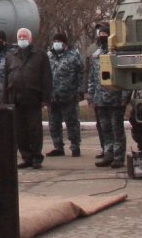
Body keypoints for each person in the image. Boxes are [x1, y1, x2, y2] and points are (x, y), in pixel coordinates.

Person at [6, 27, 52, 169]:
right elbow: (5, 78)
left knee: (34, 130)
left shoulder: (40, 55)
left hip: (33, 97)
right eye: (20, 36)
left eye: (25, 36)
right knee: (20, 131)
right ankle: (26, 157)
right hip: (15, 98)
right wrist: (5, 98)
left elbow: (46, 77)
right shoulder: (11, 55)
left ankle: (37, 157)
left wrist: (45, 97)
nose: (22, 39)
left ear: (31, 39)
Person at [84, 24, 129, 167]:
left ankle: (118, 157)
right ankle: (108, 154)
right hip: (100, 99)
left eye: (105, 34)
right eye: (100, 34)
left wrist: (124, 96)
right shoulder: (96, 54)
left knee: (117, 129)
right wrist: (90, 95)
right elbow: (92, 77)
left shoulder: (118, 54)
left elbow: (125, 77)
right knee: (105, 129)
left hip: (115, 98)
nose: (102, 36)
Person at [46, 33, 85, 158]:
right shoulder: (49, 55)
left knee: (72, 122)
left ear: (65, 43)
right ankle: (58, 147)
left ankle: (75, 146)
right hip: (53, 96)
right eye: (55, 41)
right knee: (53, 123)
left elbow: (81, 73)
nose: (56, 43)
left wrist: (79, 91)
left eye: (59, 41)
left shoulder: (74, 55)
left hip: (69, 95)